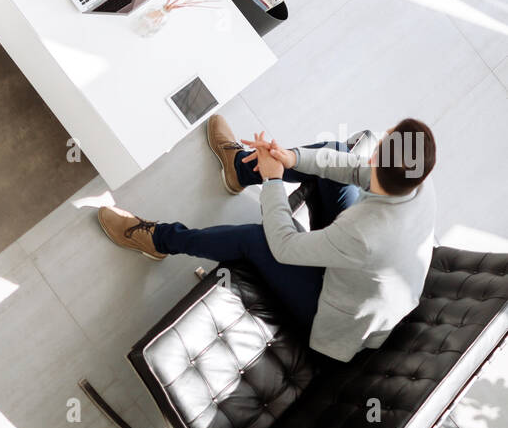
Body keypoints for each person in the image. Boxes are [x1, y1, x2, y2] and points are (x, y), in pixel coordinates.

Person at [97, 114, 437, 363]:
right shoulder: (416, 182)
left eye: (380, 142)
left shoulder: (365, 234)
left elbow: (284, 246)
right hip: (361, 272)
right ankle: (241, 169)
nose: (375, 143)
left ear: (380, 159)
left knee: (255, 239)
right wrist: (290, 159)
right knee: (332, 152)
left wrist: (274, 181)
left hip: (335, 315)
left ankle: (158, 240)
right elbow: (354, 169)